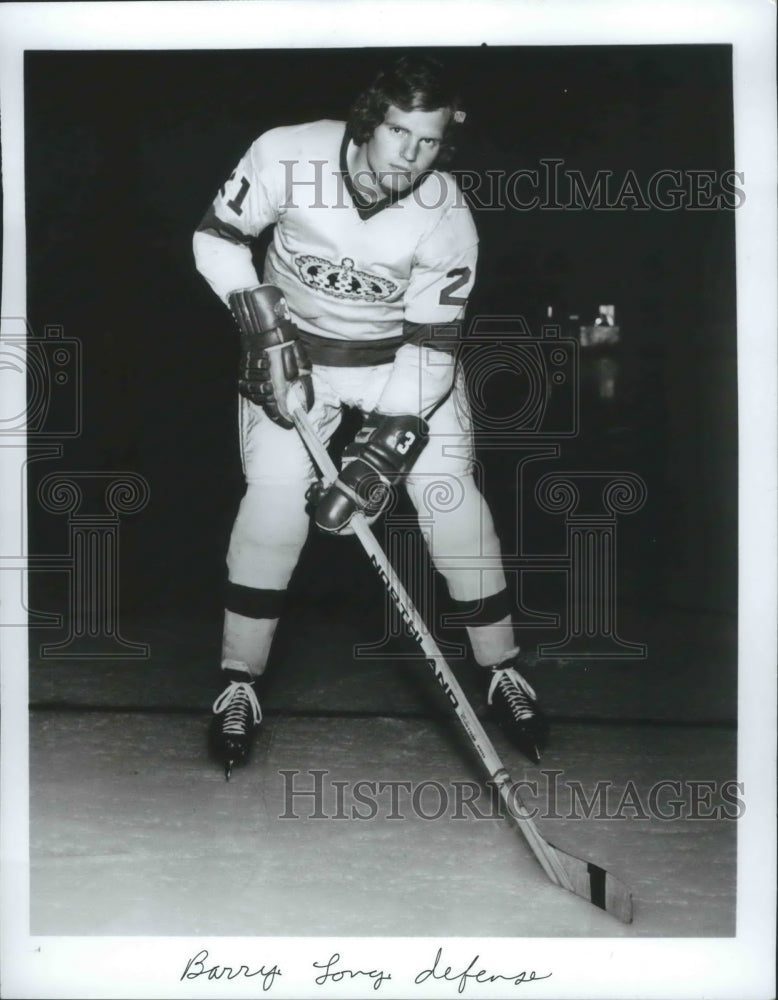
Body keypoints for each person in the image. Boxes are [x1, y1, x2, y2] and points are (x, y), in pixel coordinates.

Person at [193, 54, 548, 777]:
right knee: (272, 504)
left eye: (430, 142)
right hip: (292, 359)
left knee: (448, 498)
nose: (412, 159)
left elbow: (433, 346)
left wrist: (378, 454)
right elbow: (217, 238)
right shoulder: (284, 153)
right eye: (399, 135)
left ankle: (502, 666)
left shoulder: (445, 214)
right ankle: (239, 682)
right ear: (367, 121)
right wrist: (264, 330)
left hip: (402, 366)